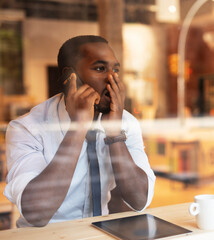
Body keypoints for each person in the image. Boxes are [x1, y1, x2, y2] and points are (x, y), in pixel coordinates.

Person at [4, 35, 156, 227]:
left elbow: (140, 200)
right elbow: (37, 212)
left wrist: (114, 134)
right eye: (100, 69)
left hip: (99, 233)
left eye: (115, 70)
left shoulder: (125, 122)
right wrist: (78, 127)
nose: (113, 80)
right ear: (70, 77)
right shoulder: (27, 128)